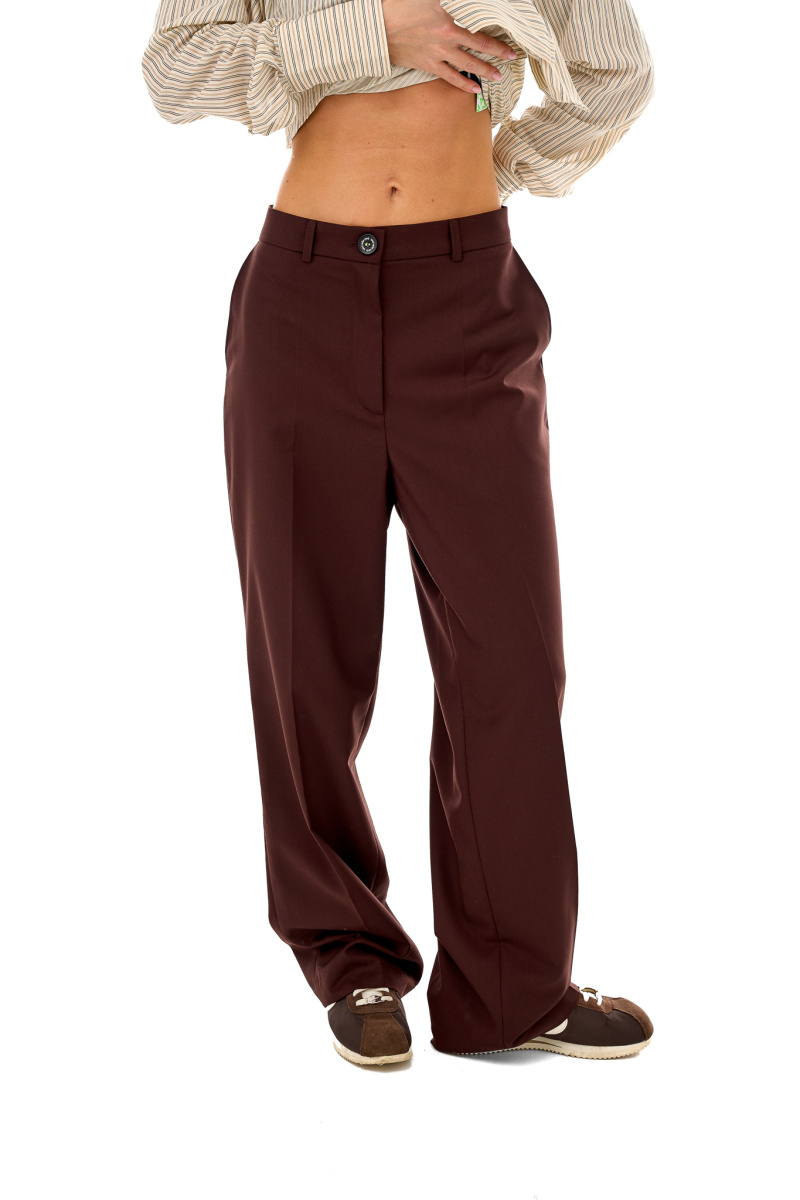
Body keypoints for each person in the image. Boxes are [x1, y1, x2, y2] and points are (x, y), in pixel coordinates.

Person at [142, 0, 655, 1066]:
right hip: (303, 296)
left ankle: (514, 987)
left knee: (510, 655)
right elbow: (176, 70)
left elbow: (616, 69)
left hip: (468, 296)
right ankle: (353, 964)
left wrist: (501, 167)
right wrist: (375, 34)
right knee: (306, 653)